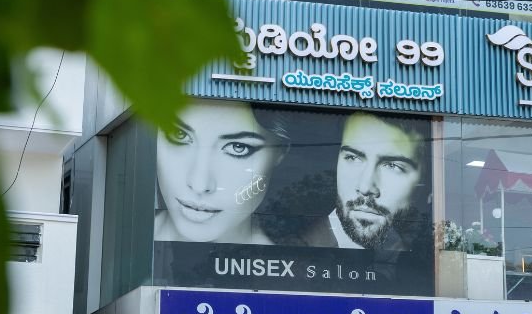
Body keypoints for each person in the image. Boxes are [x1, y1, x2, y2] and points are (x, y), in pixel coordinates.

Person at [155, 100, 289, 244]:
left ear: (280, 153)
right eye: (179, 134)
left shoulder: (289, 263)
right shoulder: (130, 237)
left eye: (238, 147)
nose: (199, 185)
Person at [299, 112, 424, 249]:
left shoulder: (414, 256)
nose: (365, 187)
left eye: (392, 166)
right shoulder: (298, 250)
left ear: (423, 180)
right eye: (353, 158)